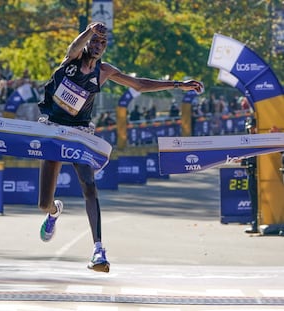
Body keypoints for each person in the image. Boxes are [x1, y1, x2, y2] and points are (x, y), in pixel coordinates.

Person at [37, 22, 203, 273]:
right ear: (87, 42)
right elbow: (73, 46)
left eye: (102, 43)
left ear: (104, 49)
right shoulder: (71, 60)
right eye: (94, 41)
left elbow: (140, 85)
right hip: (53, 129)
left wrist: (179, 85)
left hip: (80, 133)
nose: (96, 46)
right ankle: (54, 211)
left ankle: (98, 249)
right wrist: (90, 31)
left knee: (89, 186)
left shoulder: (103, 71)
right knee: (43, 203)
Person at [241, 116, 258, 234]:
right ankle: (254, 223)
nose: (251, 130)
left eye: (253, 128)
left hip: (260, 174)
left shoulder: (261, 140)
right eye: (249, 128)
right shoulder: (247, 141)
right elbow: (243, 160)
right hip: (251, 174)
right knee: (253, 201)